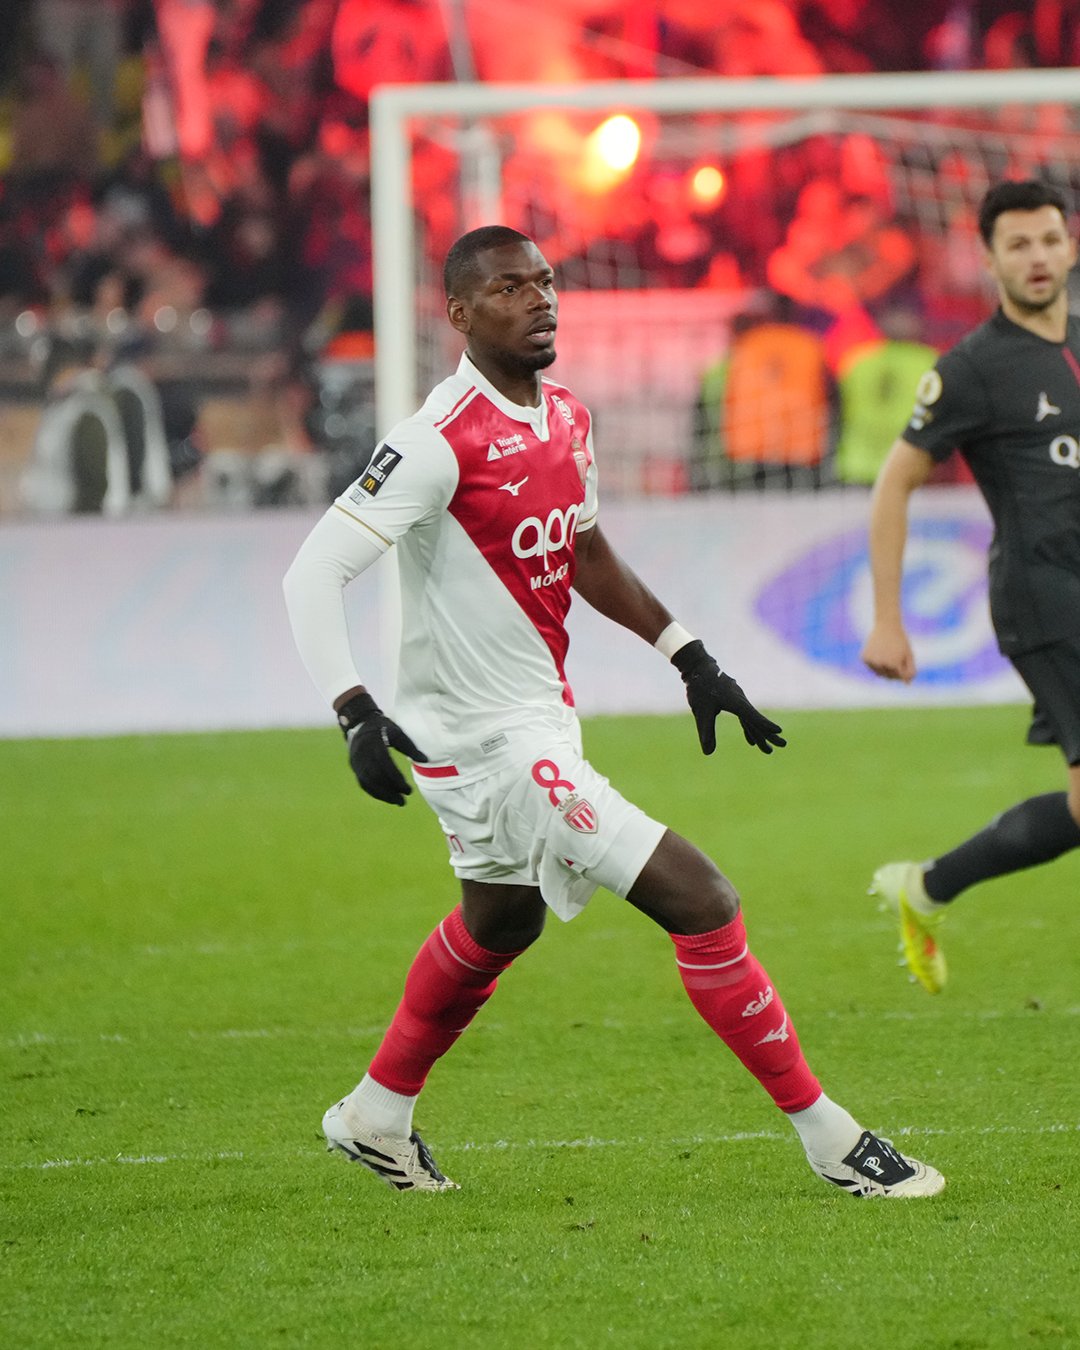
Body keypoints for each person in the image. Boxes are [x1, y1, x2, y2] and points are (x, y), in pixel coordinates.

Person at [283, 225, 943, 1199]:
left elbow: (584, 552)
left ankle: (376, 1116)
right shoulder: (434, 440)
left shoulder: (567, 419)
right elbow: (312, 572)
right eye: (509, 289)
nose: (538, 301)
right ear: (459, 314)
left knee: (501, 922)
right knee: (704, 902)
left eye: (545, 282)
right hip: (491, 748)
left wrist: (690, 656)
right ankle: (833, 1140)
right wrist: (352, 710)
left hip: (536, 723)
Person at [861, 179, 1080, 994]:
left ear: (1070, 246)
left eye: (1049, 239)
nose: (1037, 257)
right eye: (1017, 245)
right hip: (1044, 596)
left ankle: (927, 887)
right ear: (989, 260)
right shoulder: (973, 369)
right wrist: (888, 619)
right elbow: (894, 484)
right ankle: (927, 886)